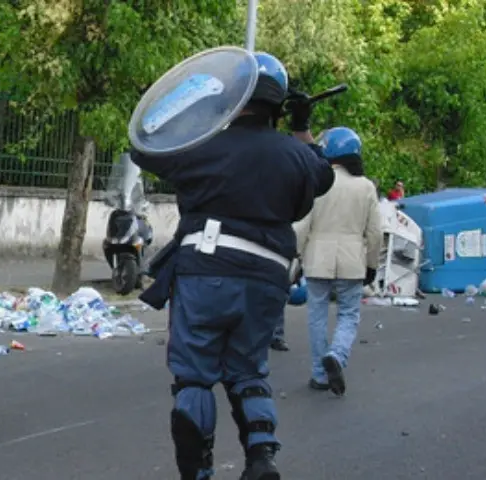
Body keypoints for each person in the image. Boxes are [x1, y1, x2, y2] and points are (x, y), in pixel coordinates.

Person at [134, 52, 334, 479]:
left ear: (232, 93)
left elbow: (144, 151)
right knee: (248, 368)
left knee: (194, 377)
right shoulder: (296, 155)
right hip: (267, 276)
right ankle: (261, 457)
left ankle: (199, 471)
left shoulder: (201, 146)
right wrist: (301, 127)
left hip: (206, 268)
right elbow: (324, 173)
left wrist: (177, 106)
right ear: (278, 106)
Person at [295, 127, 382, 396]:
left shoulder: (317, 183)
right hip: (352, 260)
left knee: (317, 315)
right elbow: (375, 233)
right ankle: (337, 354)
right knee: (348, 315)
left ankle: (320, 374)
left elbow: (301, 226)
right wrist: (371, 266)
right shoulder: (366, 187)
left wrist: (297, 257)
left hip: (317, 259)